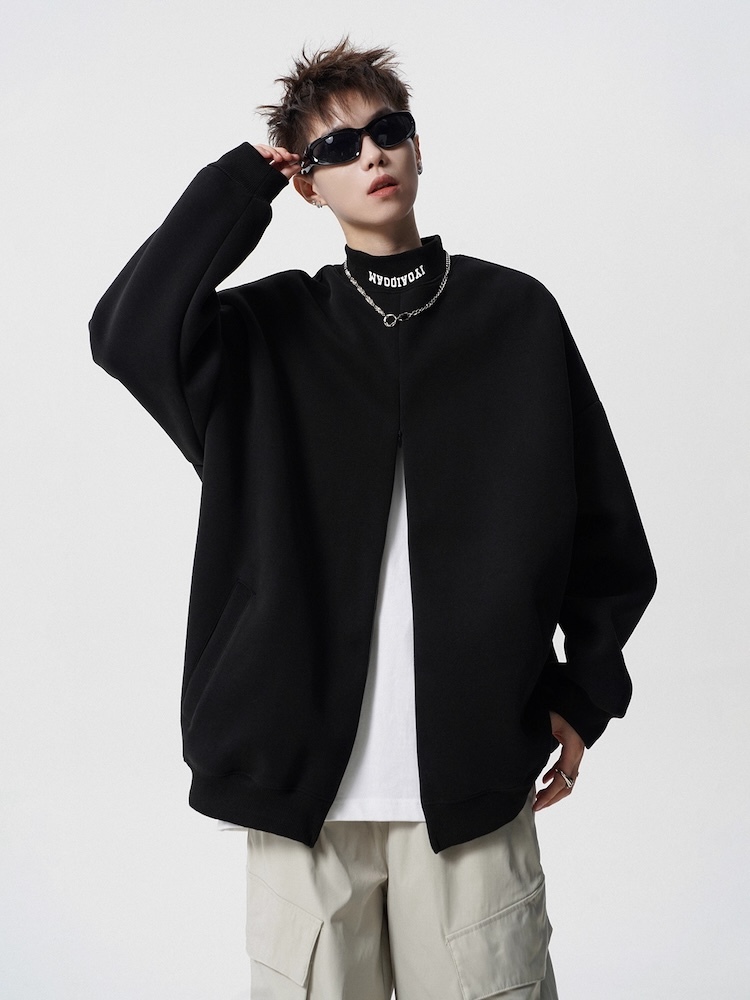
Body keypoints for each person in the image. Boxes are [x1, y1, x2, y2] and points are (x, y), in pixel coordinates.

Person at [89, 37, 657, 1000]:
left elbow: (607, 530)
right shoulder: (264, 334)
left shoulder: (516, 317)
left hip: (474, 791)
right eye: (337, 148)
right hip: (299, 800)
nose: (372, 155)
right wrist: (239, 185)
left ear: (419, 145)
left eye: (388, 131)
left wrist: (586, 686)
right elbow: (126, 332)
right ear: (307, 186)